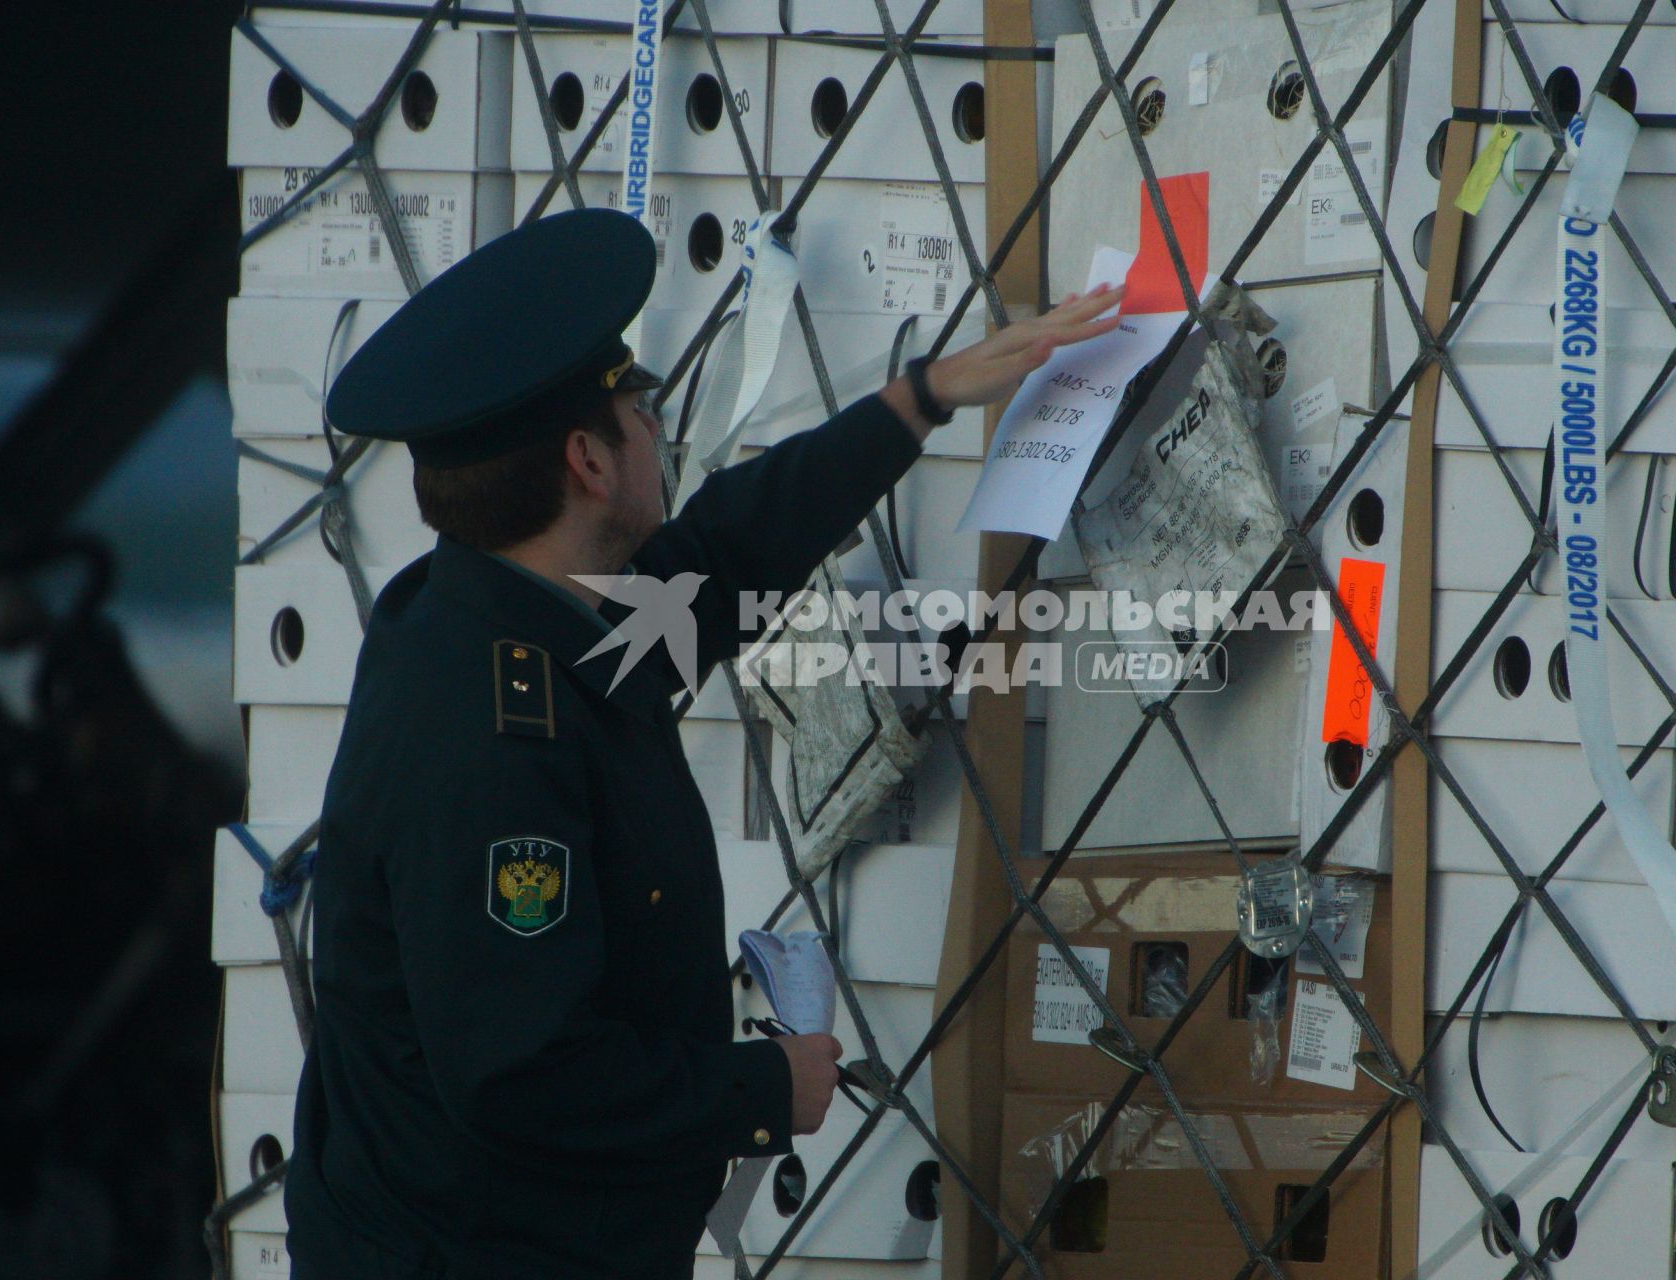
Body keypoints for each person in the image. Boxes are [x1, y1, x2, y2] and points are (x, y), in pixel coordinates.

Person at [282, 206, 1124, 1278]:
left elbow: (720, 560)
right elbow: (521, 1073)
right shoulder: (493, 730)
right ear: (588, 460)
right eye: (641, 408)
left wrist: (919, 400)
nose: (657, 428)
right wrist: (763, 1089)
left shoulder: (518, 618)